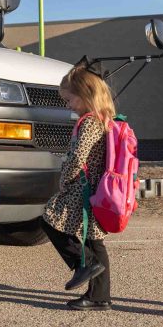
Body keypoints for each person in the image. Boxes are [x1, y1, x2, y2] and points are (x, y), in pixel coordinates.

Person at [41, 64, 113, 311]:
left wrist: (65, 179)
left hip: (82, 188)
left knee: (49, 218)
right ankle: (99, 296)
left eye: (70, 99)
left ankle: (83, 264)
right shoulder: (105, 119)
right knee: (94, 241)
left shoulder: (90, 122)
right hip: (96, 190)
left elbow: (78, 156)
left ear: (85, 95)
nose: (68, 105)